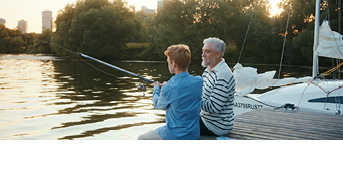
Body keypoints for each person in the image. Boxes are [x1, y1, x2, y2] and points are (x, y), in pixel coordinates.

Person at [138, 44, 203, 140]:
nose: (168, 64)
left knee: (142, 138)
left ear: (174, 63)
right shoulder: (199, 81)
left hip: (175, 135)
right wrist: (167, 84)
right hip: (193, 134)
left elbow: (158, 104)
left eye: (168, 62)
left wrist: (156, 89)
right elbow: (182, 85)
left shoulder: (169, 87)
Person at [199, 37, 236, 137]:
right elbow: (199, 93)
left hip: (216, 126)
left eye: (207, 51)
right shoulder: (208, 70)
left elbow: (214, 107)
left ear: (218, 54)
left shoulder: (223, 75)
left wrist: (189, 99)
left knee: (179, 124)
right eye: (203, 51)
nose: (203, 55)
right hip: (205, 120)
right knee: (178, 117)